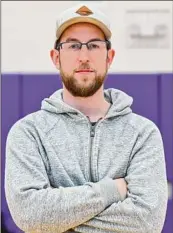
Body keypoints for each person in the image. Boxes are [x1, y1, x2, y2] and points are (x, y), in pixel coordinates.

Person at [5, 3, 168, 233]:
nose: (84, 56)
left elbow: (146, 223)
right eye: (73, 45)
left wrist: (60, 219)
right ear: (56, 57)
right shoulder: (29, 133)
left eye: (93, 45)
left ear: (109, 57)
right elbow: (31, 214)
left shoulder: (142, 134)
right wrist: (112, 190)